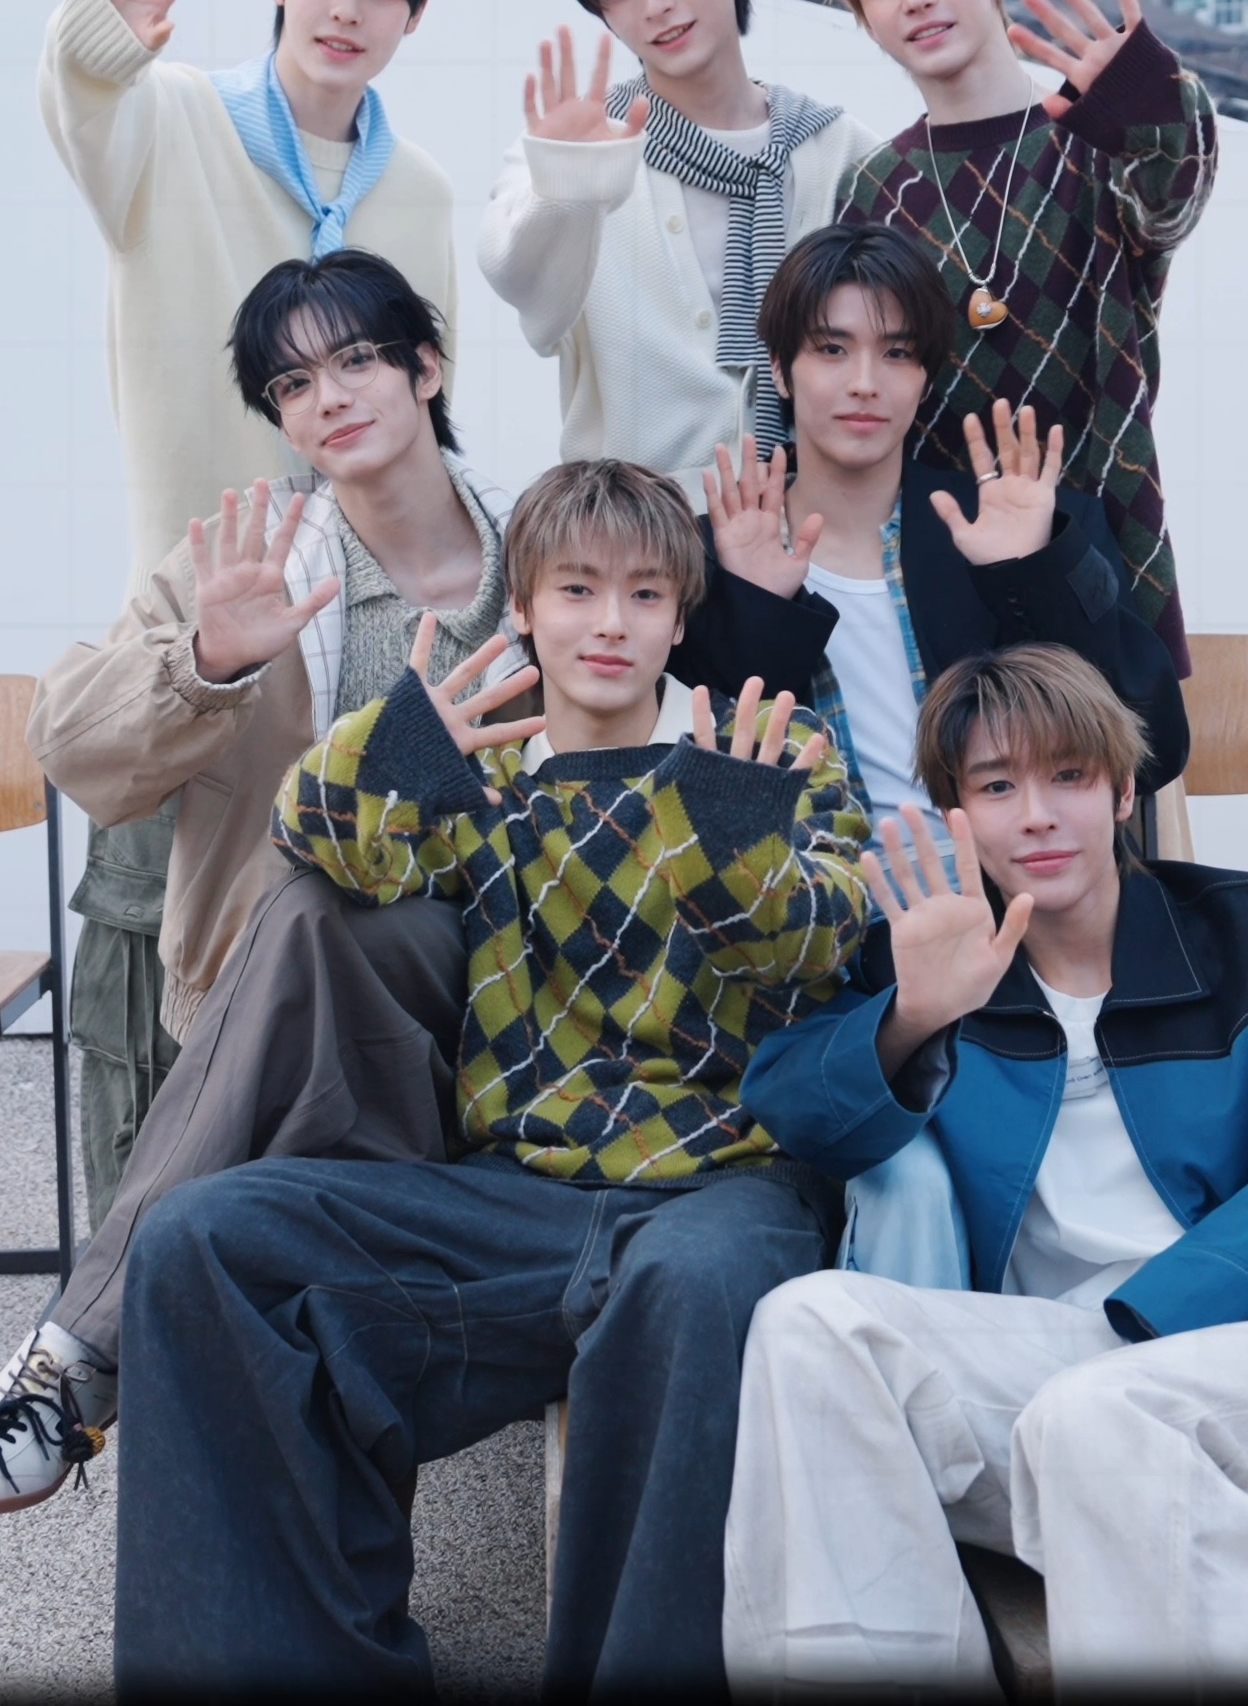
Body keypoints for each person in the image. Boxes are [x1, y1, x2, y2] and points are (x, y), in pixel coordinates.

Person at [112, 461, 875, 1700]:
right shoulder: (487, 762)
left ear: (682, 614)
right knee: (207, 1243)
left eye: (644, 594)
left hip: (721, 1188)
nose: (610, 623)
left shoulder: (764, 748)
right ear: (521, 607)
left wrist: (733, 834)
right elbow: (323, 846)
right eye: (576, 590)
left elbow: (826, 939)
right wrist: (402, 742)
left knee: (696, 1284)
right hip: (511, 1195)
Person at [724, 645, 1248, 1695]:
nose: (1037, 816)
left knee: (1101, 1414)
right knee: (811, 1325)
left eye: (1068, 776)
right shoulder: (938, 955)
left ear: (1122, 790)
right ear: (957, 815)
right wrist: (914, 1015)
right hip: (1062, 1382)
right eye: (997, 787)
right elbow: (791, 1110)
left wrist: (1144, 1322)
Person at [0, 252, 518, 1517]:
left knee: (323, 907)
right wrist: (208, 661)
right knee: (313, 910)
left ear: (427, 368)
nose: (328, 398)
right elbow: (75, 751)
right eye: (292, 383)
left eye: (358, 360)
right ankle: (199, 1457)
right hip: (294, 992)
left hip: (499, 989)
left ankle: (74, 1358)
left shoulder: (545, 549)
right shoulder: (255, 560)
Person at [37, 0, 459, 1232]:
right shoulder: (170, 120)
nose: (347, 8)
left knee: (336, 998)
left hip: (358, 647)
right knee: (148, 990)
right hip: (195, 641)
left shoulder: (418, 193)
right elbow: (84, 113)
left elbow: (433, 414)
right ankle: (125, 1299)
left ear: (411, 16)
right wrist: (99, 37)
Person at [674, 220, 1192, 1294]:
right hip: (831, 963)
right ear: (782, 367)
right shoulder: (717, 548)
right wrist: (758, 608)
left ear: (928, 377)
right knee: (909, 1178)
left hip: (1022, 928)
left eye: (898, 352)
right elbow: (706, 802)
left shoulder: (1007, 523)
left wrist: (1029, 575)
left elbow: (1156, 743)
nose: (864, 381)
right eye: (831, 349)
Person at [823, 0, 1219, 670]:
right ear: (864, 15)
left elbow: (1172, 193)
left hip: (1101, 534)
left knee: (1110, 751)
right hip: (938, 556)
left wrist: (1151, 98)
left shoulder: (1094, 138)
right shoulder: (872, 186)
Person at [481, 0, 879, 483]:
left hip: (811, 518)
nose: (655, 4)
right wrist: (569, 183)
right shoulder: (583, 144)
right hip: (639, 532)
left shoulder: (839, 150)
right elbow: (520, 282)